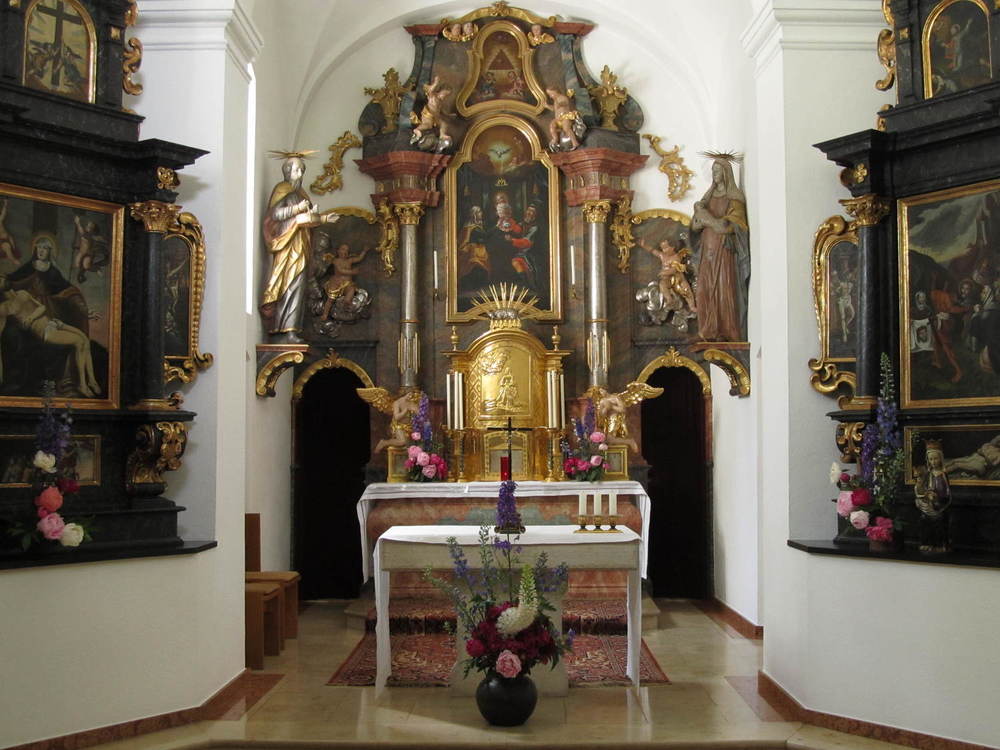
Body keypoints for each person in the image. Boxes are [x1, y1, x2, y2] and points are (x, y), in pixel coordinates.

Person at [260, 153, 338, 342]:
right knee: (288, 284)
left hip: (301, 244)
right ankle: (283, 330)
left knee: (299, 287)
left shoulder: (302, 194)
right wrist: (297, 210)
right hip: (287, 244)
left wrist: (323, 218)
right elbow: (274, 215)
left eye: (302, 170)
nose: (300, 174)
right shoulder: (282, 189)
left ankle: (291, 329)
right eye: (296, 170)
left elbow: (308, 219)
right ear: (287, 171)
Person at [0, 275, 100, 397]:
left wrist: (31, 318)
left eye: (0, 277)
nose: (1, 279)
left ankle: (92, 381)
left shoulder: (22, 293)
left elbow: (42, 307)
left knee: (84, 339)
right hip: (46, 332)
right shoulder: (4, 307)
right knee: (79, 341)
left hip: (53, 323)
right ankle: (83, 385)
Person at [691, 156, 750, 341]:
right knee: (704, 288)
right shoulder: (707, 199)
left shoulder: (735, 198)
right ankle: (707, 329)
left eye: (717, 171)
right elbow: (695, 226)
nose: (714, 174)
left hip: (723, 251)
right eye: (713, 171)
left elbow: (728, 227)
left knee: (723, 288)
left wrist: (707, 219)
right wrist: (703, 219)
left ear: (725, 173)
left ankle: (725, 331)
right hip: (706, 250)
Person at [639, 237, 697, 315]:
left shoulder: (676, 257)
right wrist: (644, 245)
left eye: (666, 248)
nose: (664, 250)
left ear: (673, 247)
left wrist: (665, 272)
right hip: (667, 279)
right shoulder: (662, 256)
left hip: (678, 279)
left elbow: (674, 270)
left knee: (686, 289)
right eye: (662, 248)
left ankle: (692, 306)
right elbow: (653, 251)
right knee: (662, 284)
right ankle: (669, 299)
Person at [914, 441, 952, 553]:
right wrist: (927, 494)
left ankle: (940, 544)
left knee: (940, 520)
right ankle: (927, 543)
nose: (933, 462)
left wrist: (937, 499)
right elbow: (923, 488)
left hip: (940, 505)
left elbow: (947, 493)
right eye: (931, 459)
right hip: (929, 505)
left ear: (940, 459)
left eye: (936, 459)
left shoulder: (943, 474)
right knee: (924, 519)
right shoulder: (928, 474)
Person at [317, 243, 371, 320]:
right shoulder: (336, 261)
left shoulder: (349, 260)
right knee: (330, 300)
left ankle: (346, 307)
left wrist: (364, 251)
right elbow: (341, 270)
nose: (345, 252)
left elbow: (359, 258)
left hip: (348, 283)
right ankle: (325, 314)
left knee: (350, 294)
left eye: (347, 251)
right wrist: (352, 272)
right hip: (337, 283)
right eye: (343, 249)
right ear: (338, 251)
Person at [458, 205, 489, 288]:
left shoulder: (475, 227)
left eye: (480, 212)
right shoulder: (473, 228)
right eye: (479, 212)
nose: (481, 213)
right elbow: (486, 236)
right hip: (472, 252)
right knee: (475, 265)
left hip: (479, 251)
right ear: (474, 214)